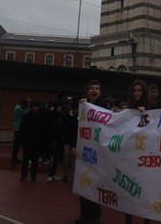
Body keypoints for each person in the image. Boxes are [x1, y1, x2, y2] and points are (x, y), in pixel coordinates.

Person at [73, 80, 104, 224]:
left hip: (97, 152)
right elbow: (76, 128)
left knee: (95, 184)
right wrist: (74, 146)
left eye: (97, 88)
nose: (94, 90)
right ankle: (84, 214)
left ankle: (95, 215)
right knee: (84, 182)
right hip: (84, 151)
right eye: (92, 88)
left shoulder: (105, 108)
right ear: (88, 91)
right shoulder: (82, 106)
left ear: (100, 91)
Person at [124, 80, 151, 224]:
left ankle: (146, 220)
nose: (136, 93)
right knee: (128, 190)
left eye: (139, 90)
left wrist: (145, 114)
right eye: (134, 90)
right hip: (131, 155)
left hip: (146, 155)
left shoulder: (153, 107)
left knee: (145, 191)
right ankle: (128, 220)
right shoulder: (128, 108)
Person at [19, 100, 45, 182]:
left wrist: (41, 141)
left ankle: (33, 175)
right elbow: (22, 129)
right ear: (31, 107)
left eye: (36, 107)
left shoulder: (41, 117)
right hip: (27, 141)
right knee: (25, 159)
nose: (35, 108)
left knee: (35, 160)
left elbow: (43, 130)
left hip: (37, 142)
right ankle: (23, 175)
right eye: (33, 107)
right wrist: (22, 140)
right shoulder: (26, 117)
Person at [11, 98, 29, 168]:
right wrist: (28, 108)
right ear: (23, 105)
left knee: (18, 144)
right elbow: (25, 113)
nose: (25, 108)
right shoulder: (17, 108)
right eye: (25, 106)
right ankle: (13, 158)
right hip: (18, 128)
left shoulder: (19, 107)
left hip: (20, 128)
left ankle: (15, 158)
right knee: (17, 144)